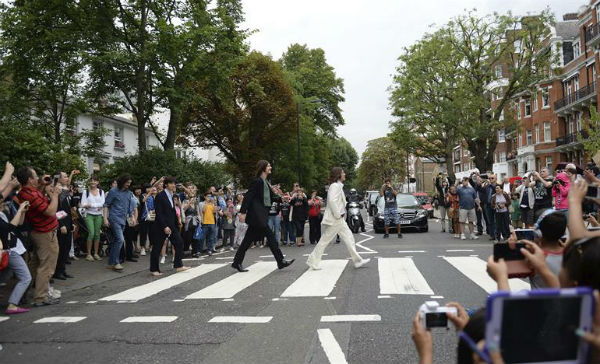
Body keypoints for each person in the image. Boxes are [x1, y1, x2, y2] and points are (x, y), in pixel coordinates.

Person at [232, 160, 294, 272]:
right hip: (257, 215)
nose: (270, 167)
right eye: (269, 165)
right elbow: (248, 197)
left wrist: (282, 198)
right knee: (270, 237)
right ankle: (280, 261)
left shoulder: (265, 182)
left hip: (261, 215)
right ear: (263, 168)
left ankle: (237, 262)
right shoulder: (257, 182)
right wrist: (242, 212)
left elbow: (272, 197)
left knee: (247, 241)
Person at [306, 167, 370, 270]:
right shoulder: (335, 186)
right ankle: (312, 261)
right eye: (343, 173)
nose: (345, 174)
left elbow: (338, 201)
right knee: (324, 241)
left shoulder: (338, 186)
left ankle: (358, 261)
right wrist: (338, 214)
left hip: (338, 219)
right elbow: (332, 201)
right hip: (335, 219)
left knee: (349, 238)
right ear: (338, 175)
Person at [16, 166, 61, 306]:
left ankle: (22, 293)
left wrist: (41, 184)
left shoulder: (26, 192)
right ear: (29, 179)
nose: (38, 178)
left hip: (38, 232)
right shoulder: (31, 194)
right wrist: (55, 195)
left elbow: (38, 201)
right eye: (35, 176)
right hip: (45, 233)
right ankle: (41, 297)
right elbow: (50, 211)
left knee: (35, 264)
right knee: (46, 266)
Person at [149, 176, 189, 276]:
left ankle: (178, 265)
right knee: (157, 247)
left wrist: (177, 222)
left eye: (174, 183)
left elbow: (172, 211)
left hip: (172, 225)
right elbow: (159, 213)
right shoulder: (160, 196)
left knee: (179, 243)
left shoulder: (172, 195)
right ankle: (154, 269)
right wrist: (164, 226)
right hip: (161, 226)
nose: (173, 185)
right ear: (166, 184)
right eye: (171, 183)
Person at [0, 197, 32, 314]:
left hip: (10, 250)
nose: (4, 204)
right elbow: (8, 228)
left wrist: (22, 212)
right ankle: (12, 305)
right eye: (2, 202)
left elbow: (19, 223)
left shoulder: (3, 214)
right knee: (25, 277)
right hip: (8, 251)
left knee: (4, 278)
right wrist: (19, 211)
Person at [103, 174, 136, 272]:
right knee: (120, 239)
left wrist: (133, 217)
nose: (128, 185)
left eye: (130, 183)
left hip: (123, 220)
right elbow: (106, 205)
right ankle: (116, 262)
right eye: (127, 182)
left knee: (115, 241)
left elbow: (129, 208)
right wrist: (105, 219)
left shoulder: (129, 193)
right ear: (122, 181)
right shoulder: (113, 191)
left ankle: (111, 263)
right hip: (114, 218)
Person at [53, 171, 74, 280]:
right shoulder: (57, 191)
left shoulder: (65, 190)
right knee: (61, 249)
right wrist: (61, 224)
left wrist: (71, 223)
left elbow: (68, 209)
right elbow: (57, 209)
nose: (67, 178)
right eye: (65, 176)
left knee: (66, 248)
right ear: (59, 178)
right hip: (62, 224)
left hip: (68, 223)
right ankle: (57, 271)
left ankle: (62, 270)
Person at [80, 176, 105, 261]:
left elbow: (103, 203)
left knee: (97, 234)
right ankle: (89, 254)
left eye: (95, 181)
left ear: (98, 182)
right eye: (91, 181)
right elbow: (83, 204)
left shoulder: (101, 192)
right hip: (89, 214)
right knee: (91, 233)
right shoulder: (85, 192)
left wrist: (91, 205)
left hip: (98, 215)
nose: (93, 182)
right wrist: (97, 205)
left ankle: (96, 253)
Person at [197, 191, 218, 256]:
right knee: (202, 238)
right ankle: (199, 250)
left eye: (210, 196)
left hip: (212, 222)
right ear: (205, 197)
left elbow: (214, 212)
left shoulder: (212, 204)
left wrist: (214, 205)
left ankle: (209, 250)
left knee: (211, 237)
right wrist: (206, 203)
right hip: (204, 222)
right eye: (208, 196)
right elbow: (202, 211)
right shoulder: (201, 203)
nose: (209, 198)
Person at [139, 185, 156, 256]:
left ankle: (151, 246)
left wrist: (154, 210)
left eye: (150, 188)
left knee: (152, 233)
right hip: (144, 217)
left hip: (151, 217)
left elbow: (154, 206)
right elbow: (143, 201)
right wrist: (149, 193)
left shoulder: (152, 196)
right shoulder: (142, 195)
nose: (149, 189)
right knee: (143, 233)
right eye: (148, 188)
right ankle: (142, 248)